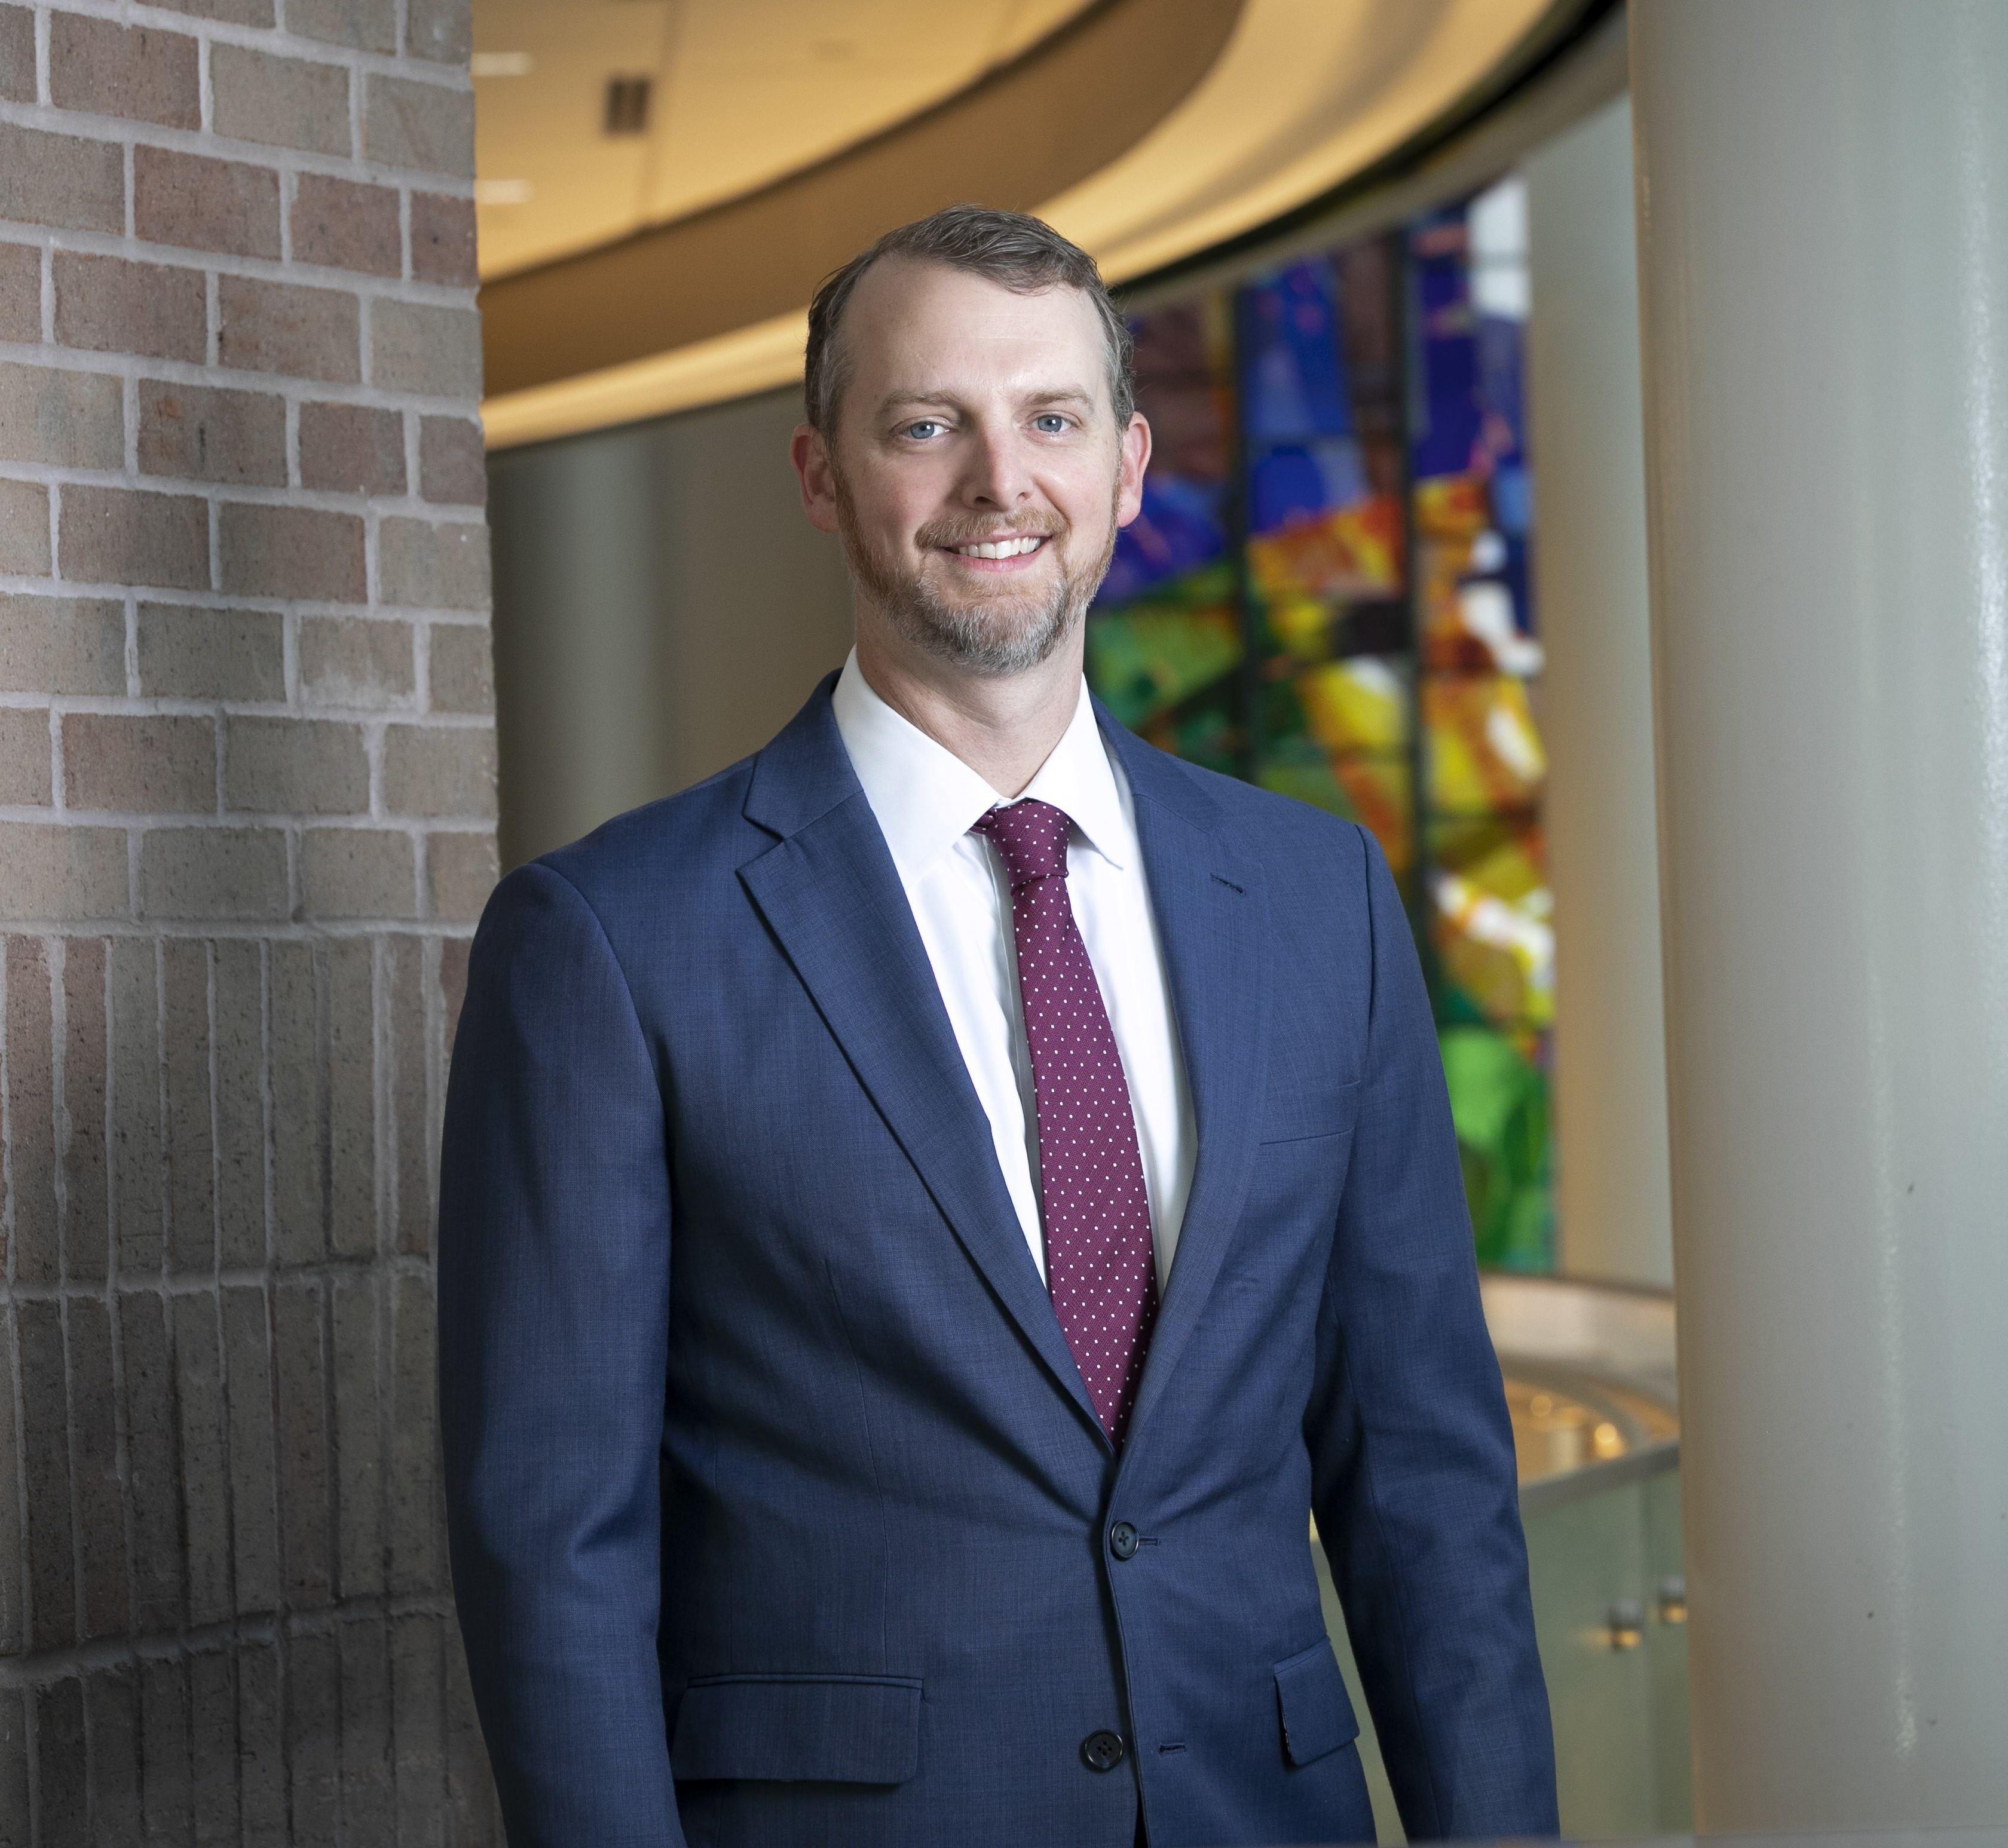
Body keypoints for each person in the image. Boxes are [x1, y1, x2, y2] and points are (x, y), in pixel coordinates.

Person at [437, 206, 1557, 1847]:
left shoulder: (1321, 905)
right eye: (924, 424)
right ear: (821, 476)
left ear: (1127, 469)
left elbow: (1428, 1487)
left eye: (1051, 419)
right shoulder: (613, 942)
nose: (997, 481)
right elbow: (553, 1550)